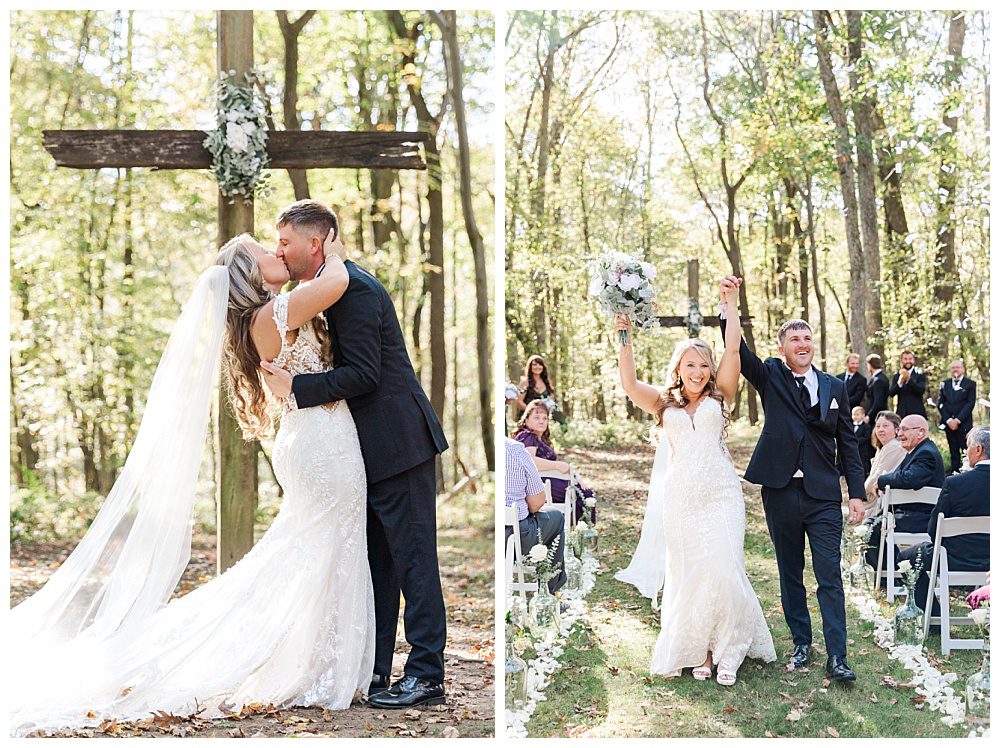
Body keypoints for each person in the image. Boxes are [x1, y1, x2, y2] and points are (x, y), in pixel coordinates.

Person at [11, 226, 376, 735]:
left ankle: (323, 660)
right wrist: (326, 242)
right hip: (320, 442)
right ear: (250, 276)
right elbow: (335, 279)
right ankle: (324, 666)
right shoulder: (274, 312)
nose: (275, 251)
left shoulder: (272, 313)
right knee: (324, 544)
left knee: (318, 547)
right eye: (262, 252)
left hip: (313, 435)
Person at [260, 200, 449, 710]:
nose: (280, 250)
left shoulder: (355, 292)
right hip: (360, 453)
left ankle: (428, 675)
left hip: (400, 443)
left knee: (413, 562)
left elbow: (365, 374)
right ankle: (376, 669)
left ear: (314, 243)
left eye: (286, 242)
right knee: (377, 567)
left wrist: (296, 388)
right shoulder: (326, 291)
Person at [615, 277, 775, 687]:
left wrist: (731, 305)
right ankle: (702, 651)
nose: (700, 371)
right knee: (690, 574)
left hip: (721, 495)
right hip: (682, 498)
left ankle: (729, 649)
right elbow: (630, 384)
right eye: (692, 365)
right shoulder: (663, 402)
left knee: (723, 566)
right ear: (678, 369)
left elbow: (735, 349)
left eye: (705, 364)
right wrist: (623, 334)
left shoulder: (722, 394)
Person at [719, 276, 865, 684]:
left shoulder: (835, 386)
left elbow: (849, 446)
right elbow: (737, 350)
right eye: (794, 339)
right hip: (781, 490)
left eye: (807, 338)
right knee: (789, 572)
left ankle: (838, 656)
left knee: (829, 574)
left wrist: (856, 493)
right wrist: (729, 304)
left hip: (822, 494)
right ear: (782, 347)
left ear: (812, 345)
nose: (802, 344)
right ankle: (802, 644)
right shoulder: (770, 376)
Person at [896, 426, 990, 617]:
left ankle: (933, 617)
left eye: (968, 447)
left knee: (906, 558)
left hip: (955, 560)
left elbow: (934, 530)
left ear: (979, 450)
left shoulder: (956, 483)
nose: (966, 452)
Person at [512, 400, 596, 523]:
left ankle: (576, 531)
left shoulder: (538, 439)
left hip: (549, 483)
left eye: (545, 418)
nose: (541, 421)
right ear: (526, 420)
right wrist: (557, 465)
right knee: (585, 495)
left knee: (584, 493)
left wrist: (576, 478)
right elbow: (529, 461)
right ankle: (580, 533)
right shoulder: (527, 436)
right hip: (541, 485)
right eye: (536, 417)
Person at [504, 437, 567, 593]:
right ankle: (548, 593)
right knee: (557, 518)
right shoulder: (515, 450)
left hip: (498, 540)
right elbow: (537, 502)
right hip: (516, 538)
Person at [875, 415, 945, 532]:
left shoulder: (926, 453)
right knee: (871, 525)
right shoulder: (916, 451)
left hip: (919, 519)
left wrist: (880, 481)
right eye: (899, 429)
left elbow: (910, 478)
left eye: (905, 429)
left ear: (921, 432)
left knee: (872, 530)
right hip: (907, 515)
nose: (899, 434)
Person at [862, 411, 906, 519]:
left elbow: (876, 479)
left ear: (896, 429)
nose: (880, 429)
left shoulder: (894, 447)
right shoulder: (882, 448)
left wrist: (861, 491)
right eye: (877, 426)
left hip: (884, 503)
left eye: (885, 426)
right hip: (875, 500)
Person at [936, 359, 977, 474]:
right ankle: (954, 475)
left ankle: (968, 473)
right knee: (953, 451)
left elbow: (970, 403)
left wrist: (958, 420)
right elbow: (940, 403)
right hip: (948, 425)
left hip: (964, 424)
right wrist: (948, 420)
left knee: (966, 450)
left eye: (957, 367)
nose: (955, 369)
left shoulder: (970, 384)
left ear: (962, 369)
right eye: (953, 367)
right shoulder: (945, 384)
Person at [888, 350, 927, 418]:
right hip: (902, 413)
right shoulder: (897, 376)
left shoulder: (920, 374)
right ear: (902, 360)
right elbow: (891, 393)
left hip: (917, 413)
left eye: (910, 359)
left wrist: (909, 380)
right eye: (905, 359)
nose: (908, 361)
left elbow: (921, 390)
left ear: (914, 360)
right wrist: (899, 383)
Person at [847, 406, 874, 478]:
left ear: (863, 415)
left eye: (857, 414)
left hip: (862, 450)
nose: (855, 416)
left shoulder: (866, 426)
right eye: (853, 414)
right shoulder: (850, 426)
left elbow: (866, 437)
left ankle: (864, 476)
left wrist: (855, 441)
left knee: (863, 464)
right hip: (852, 449)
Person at [865, 354, 889, 425]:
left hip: (876, 416)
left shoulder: (878, 380)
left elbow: (878, 402)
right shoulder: (880, 377)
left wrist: (869, 416)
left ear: (870, 365)